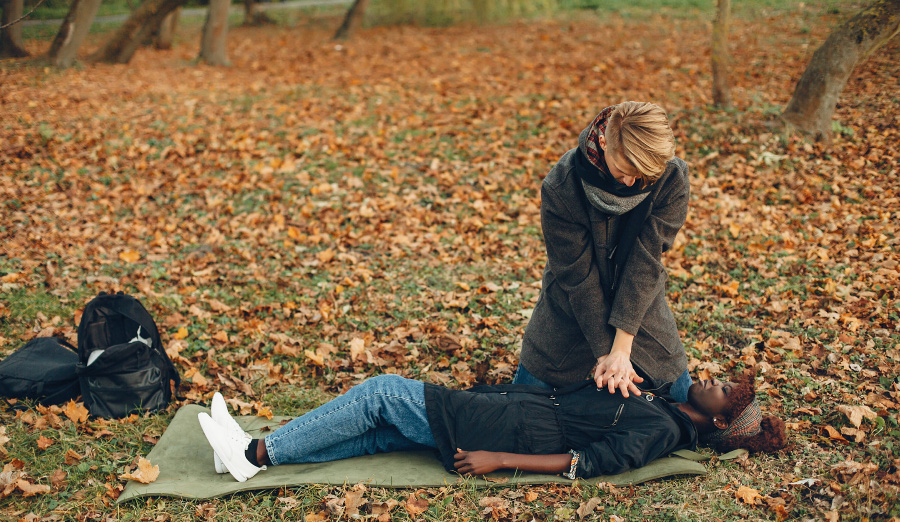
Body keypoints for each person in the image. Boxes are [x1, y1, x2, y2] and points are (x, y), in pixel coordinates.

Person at [198, 371, 786, 482]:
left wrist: (499, 460)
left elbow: (589, 464)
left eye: (720, 387)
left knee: (382, 394)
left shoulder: (661, 434)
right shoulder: (664, 405)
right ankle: (250, 458)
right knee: (385, 432)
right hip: (519, 411)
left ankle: (255, 453)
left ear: (719, 417)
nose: (708, 377)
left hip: (515, 434)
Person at [516, 102, 692, 402]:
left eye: (643, 176)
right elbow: (577, 277)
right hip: (571, 305)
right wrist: (605, 356)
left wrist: (622, 348)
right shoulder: (562, 185)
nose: (631, 183)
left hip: (639, 304)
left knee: (684, 399)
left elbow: (645, 262)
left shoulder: (670, 176)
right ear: (602, 142)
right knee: (521, 403)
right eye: (624, 170)